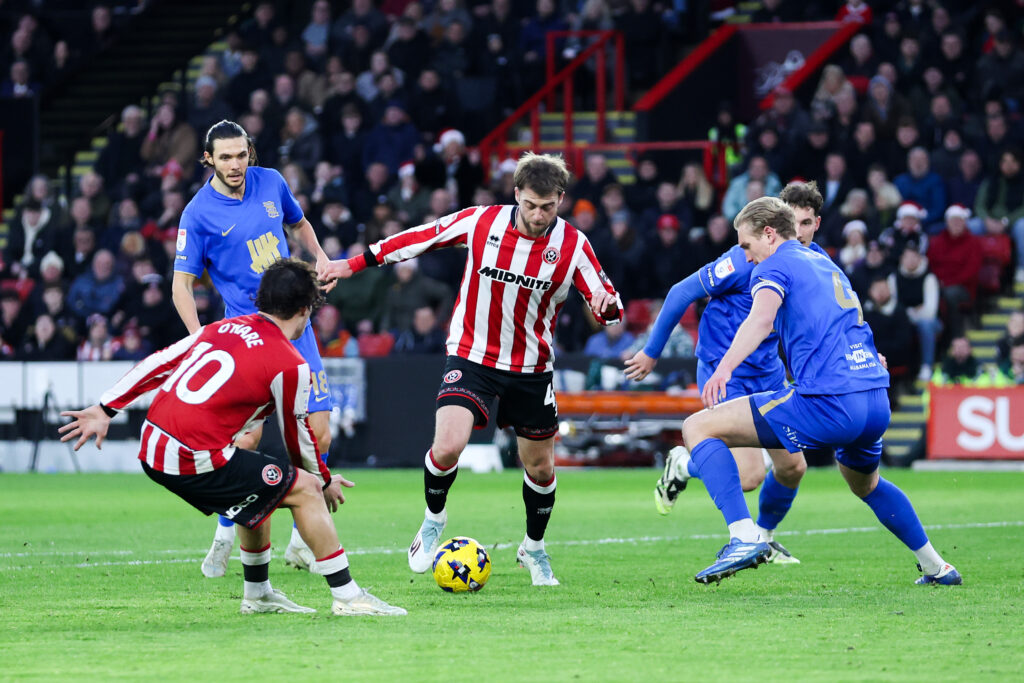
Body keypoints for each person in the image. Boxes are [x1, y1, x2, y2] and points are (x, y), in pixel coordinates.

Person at [318, 152, 622, 586]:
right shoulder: (482, 223)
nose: (538, 216)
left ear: (561, 201)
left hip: (532, 367)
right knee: (447, 446)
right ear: (516, 194)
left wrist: (607, 307)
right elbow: (420, 237)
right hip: (472, 355)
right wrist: (353, 263)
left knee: (540, 468)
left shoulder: (573, 245)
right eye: (531, 205)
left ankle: (533, 549)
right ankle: (433, 520)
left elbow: (607, 299)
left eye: (549, 207)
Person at [59, 260, 405, 616]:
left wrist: (105, 409)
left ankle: (258, 594)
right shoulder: (290, 364)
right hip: (190, 455)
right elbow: (295, 439)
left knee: (260, 486)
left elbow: (160, 361)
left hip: (153, 443)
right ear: (305, 310)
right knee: (304, 488)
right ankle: (349, 597)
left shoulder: (220, 327)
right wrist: (324, 479)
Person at [680, 196, 960, 586]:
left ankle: (744, 537)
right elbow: (851, 319)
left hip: (828, 401)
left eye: (746, 246)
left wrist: (723, 369)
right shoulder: (825, 263)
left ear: (769, 234)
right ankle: (936, 567)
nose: (747, 256)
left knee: (697, 427)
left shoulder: (775, 265)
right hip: (874, 397)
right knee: (866, 483)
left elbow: (760, 320)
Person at [624, 181, 831, 564]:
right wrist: (651, 352)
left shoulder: (812, 262)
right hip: (727, 372)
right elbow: (680, 293)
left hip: (769, 373)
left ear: (815, 225)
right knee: (750, 477)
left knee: (792, 468)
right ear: (775, 223)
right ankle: (685, 463)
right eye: (792, 222)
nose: (798, 232)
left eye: (805, 224)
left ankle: (764, 539)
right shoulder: (742, 259)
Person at [172, 120, 336, 578]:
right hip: (247, 334)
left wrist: (320, 256)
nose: (235, 164)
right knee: (244, 439)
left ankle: (302, 545)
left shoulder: (272, 183)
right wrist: (197, 337)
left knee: (319, 435)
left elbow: (299, 222)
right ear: (209, 159)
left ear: (250, 153)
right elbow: (181, 286)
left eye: (241, 155)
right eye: (224, 157)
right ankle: (226, 532)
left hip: (295, 326)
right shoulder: (197, 213)